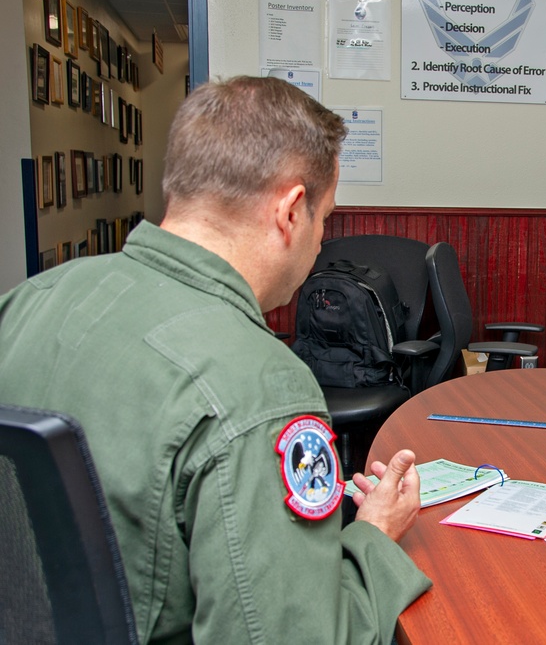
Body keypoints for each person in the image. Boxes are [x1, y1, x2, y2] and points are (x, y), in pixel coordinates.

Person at [0, 76, 430, 643]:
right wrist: (374, 535)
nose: (322, 240)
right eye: (326, 218)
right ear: (291, 210)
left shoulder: (27, 300)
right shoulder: (260, 385)